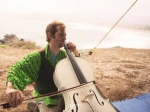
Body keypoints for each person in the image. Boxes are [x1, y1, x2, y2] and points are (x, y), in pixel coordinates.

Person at [6, 21, 80, 112]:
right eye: (61, 35)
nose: (65, 38)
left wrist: (75, 51)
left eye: (65, 35)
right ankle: (36, 105)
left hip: (65, 96)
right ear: (50, 35)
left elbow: (81, 68)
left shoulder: (65, 55)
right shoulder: (37, 56)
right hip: (46, 97)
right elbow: (16, 69)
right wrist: (10, 88)